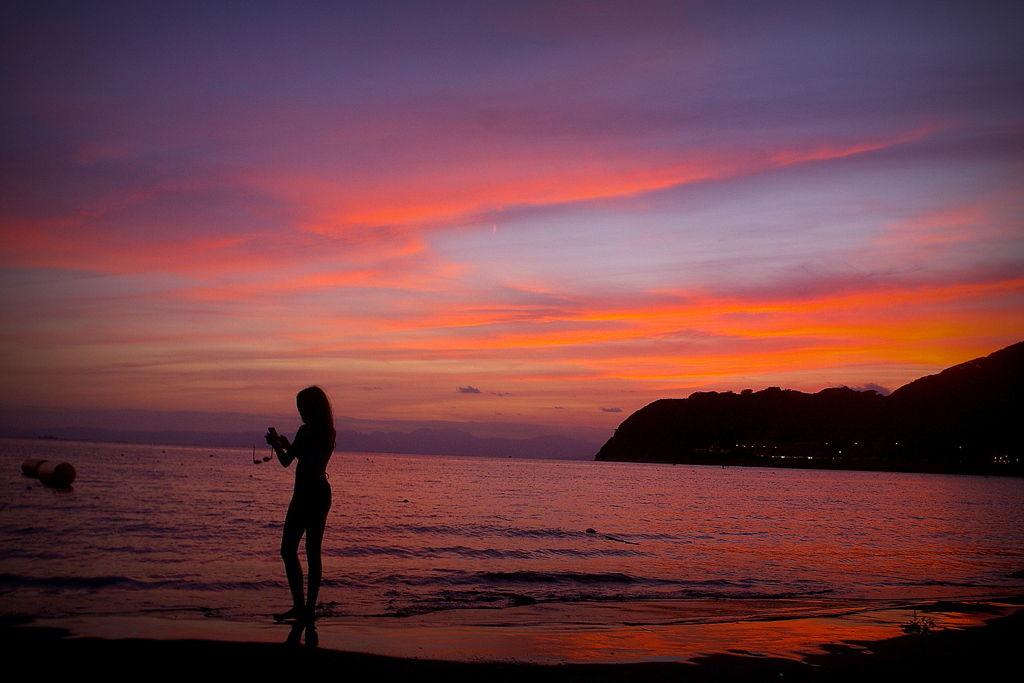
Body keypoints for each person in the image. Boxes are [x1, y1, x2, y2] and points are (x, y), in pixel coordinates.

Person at [266, 386, 336, 624]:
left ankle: (299, 605)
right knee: (313, 553)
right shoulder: (329, 431)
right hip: (322, 492)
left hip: (305, 492)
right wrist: (288, 444)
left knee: (288, 550)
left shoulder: (305, 431)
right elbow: (309, 456)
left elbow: (287, 461)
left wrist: (276, 444)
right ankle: (309, 609)